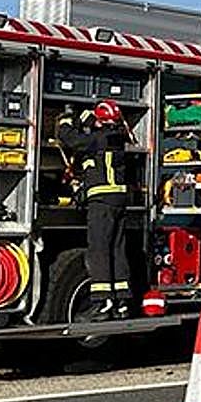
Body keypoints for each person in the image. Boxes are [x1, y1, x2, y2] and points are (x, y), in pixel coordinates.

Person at [56, 100, 131, 320]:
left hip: (103, 204)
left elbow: (71, 140)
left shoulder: (98, 140)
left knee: (98, 250)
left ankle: (103, 302)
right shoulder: (114, 136)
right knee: (117, 250)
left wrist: (67, 121)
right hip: (117, 202)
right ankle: (121, 302)